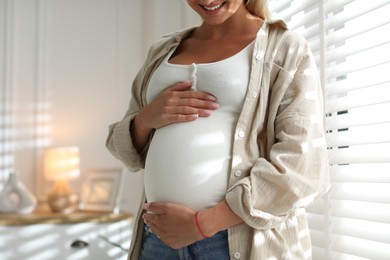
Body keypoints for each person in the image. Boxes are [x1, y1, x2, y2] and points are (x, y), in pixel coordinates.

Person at [106, 0, 330, 259]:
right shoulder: (161, 52)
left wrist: (204, 223)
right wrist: (145, 119)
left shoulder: (286, 48)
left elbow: (304, 167)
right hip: (158, 236)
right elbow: (122, 149)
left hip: (234, 240)